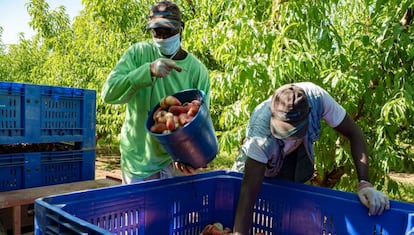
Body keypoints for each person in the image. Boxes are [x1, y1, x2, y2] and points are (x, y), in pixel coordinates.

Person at [226, 82, 390, 234]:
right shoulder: (260, 134)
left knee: (287, 208)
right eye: (283, 131)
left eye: (293, 131)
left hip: (296, 157)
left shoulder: (318, 98)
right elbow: (249, 190)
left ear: (309, 114)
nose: (287, 138)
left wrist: (364, 183)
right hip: (262, 163)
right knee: (249, 206)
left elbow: (354, 133)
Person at [101, 1, 210, 184]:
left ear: (181, 29)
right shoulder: (138, 54)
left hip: (174, 163)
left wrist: (191, 157)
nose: (162, 37)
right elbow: (108, 93)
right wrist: (147, 71)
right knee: (140, 213)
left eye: (168, 31)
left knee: (173, 212)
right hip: (139, 162)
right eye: (156, 31)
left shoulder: (197, 71)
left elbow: (198, 122)